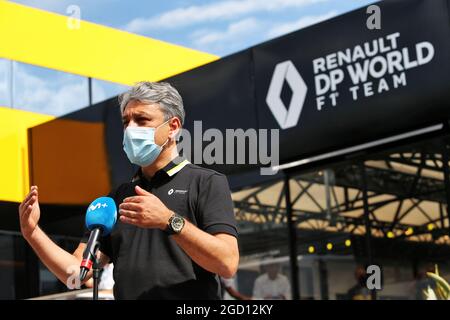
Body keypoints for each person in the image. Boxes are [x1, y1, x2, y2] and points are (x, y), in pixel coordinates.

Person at [18, 81, 239, 299]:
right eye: (126, 121)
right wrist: (32, 232)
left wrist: (168, 220)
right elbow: (77, 274)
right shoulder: (115, 199)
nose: (131, 129)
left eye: (141, 120)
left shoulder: (206, 182)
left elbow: (227, 263)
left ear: (172, 127)